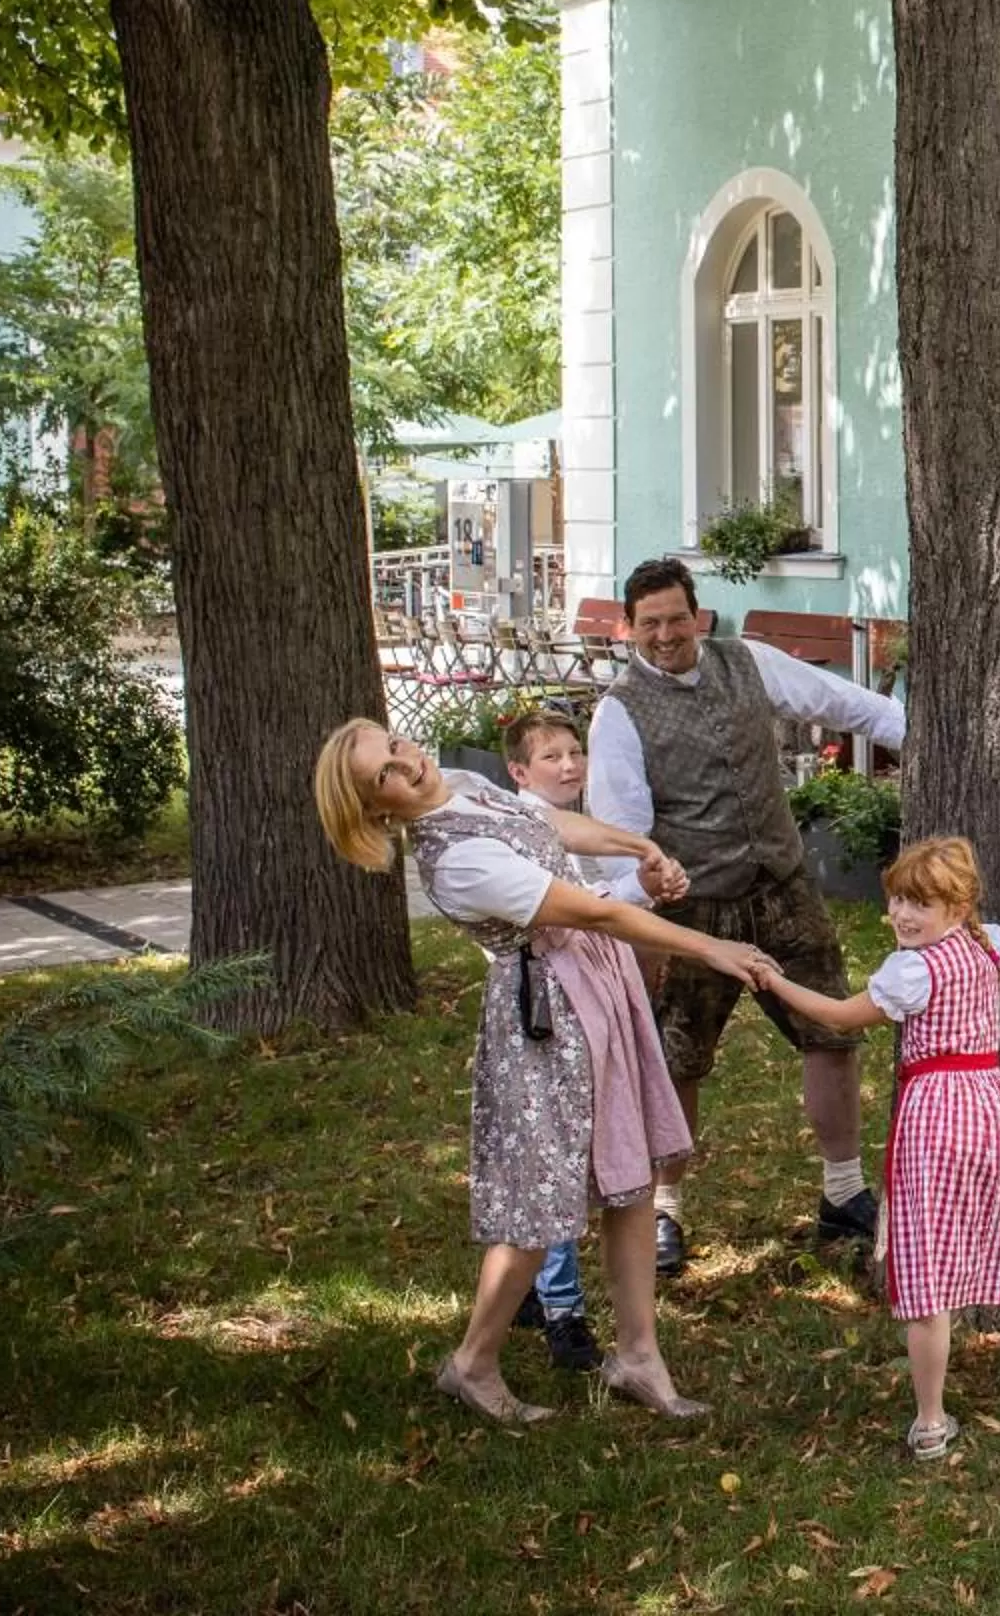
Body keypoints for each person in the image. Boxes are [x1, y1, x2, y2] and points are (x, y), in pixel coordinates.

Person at [313, 719, 771, 1425]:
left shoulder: (461, 788)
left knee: (633, 1172)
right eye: (385, 775)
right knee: (538, 1206)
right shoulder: (455, 862)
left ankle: (639, 1356)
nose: (407, 765)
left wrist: (638, 845)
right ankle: (473, 1363)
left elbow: (548, 824)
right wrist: (712, 946)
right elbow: (590, 910)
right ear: (377, 809)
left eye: (397, 747)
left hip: (598, 985)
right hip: (550, 1019)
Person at [756, 836, 1000, 1460]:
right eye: (895, 900)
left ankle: (930, 1421)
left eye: (920, 903)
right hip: (994, 1110)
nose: (901, 915)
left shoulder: (913, 970)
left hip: (937, 1121)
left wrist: (773, 982)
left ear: (959, 904)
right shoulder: (988, 945)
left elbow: (839, 1016)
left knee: (928, 1271)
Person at [586, 556, 907, 1276]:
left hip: (783, 885)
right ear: (627, 628)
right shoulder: (619, 713)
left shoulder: (747, 662)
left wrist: (914, 730)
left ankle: (843, 1192)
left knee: (831, 1028)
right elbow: (620, 835)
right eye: (650, 624)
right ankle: (665, 1210)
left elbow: (841, 703)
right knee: (679, 1057)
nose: (665, 635)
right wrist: (642, 918)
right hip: (691, 903)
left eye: (676, 618)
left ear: (696, 614)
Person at [500, 707, 602, 1373]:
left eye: (574, 753)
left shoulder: (577, 831)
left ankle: (529, 1291)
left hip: (579, 1004)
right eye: (552, 758)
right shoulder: (522, 828)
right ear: (518, 772)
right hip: (540, 1012)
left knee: (549, 1152)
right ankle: (562, 1308)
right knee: (556, 1155)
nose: (568, 766)